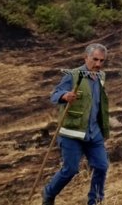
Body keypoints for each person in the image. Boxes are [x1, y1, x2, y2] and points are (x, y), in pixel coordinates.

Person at [42, 43, 110, 205]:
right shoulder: (73, 75)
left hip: (94, 133)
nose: (98, 64)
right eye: (95, 59)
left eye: (102, 60)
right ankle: (49, 193)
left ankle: (95, 201)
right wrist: (65, 96)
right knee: (70, 170)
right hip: (72, 133)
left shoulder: (101, 77)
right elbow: (54, 94)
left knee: (101, 166)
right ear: (85, 58)